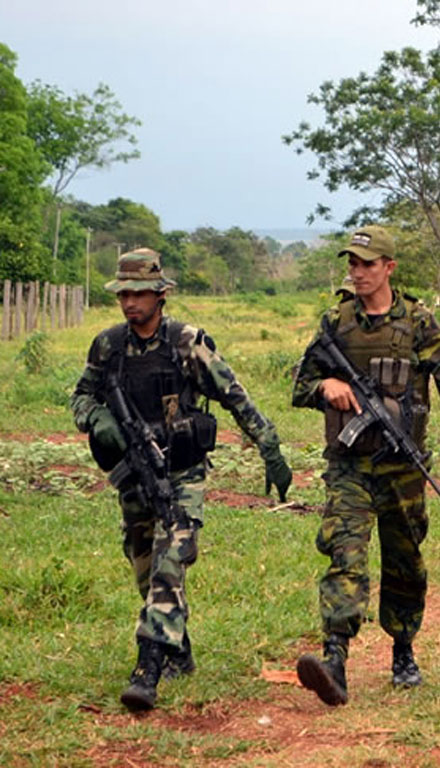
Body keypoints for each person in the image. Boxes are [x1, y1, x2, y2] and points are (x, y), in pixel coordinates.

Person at [70, 248, 292, 712]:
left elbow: (235, 397)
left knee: (172, 563)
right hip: (132, 474)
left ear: (162, 293)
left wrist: (268, 447)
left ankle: (147, 668)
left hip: (182, 473)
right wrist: (95, 417)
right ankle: (179, 650)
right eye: (124, 294)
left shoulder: (188, 343)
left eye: (140, 293)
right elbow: (81, 396)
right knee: (144, 568)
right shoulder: (108, 346)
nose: (131, 303)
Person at [291, 224, 440, 706]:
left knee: (404, 560)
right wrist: (324, 389)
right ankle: (334, 657)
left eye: (366, 264)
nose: (357, 272)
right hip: (349, 465)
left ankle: (403, 650)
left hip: (403, 466)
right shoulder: (336, 321)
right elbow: (301, 384)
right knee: (345, 554)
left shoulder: (418, 322)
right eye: (352, 264)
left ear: (389, 268)